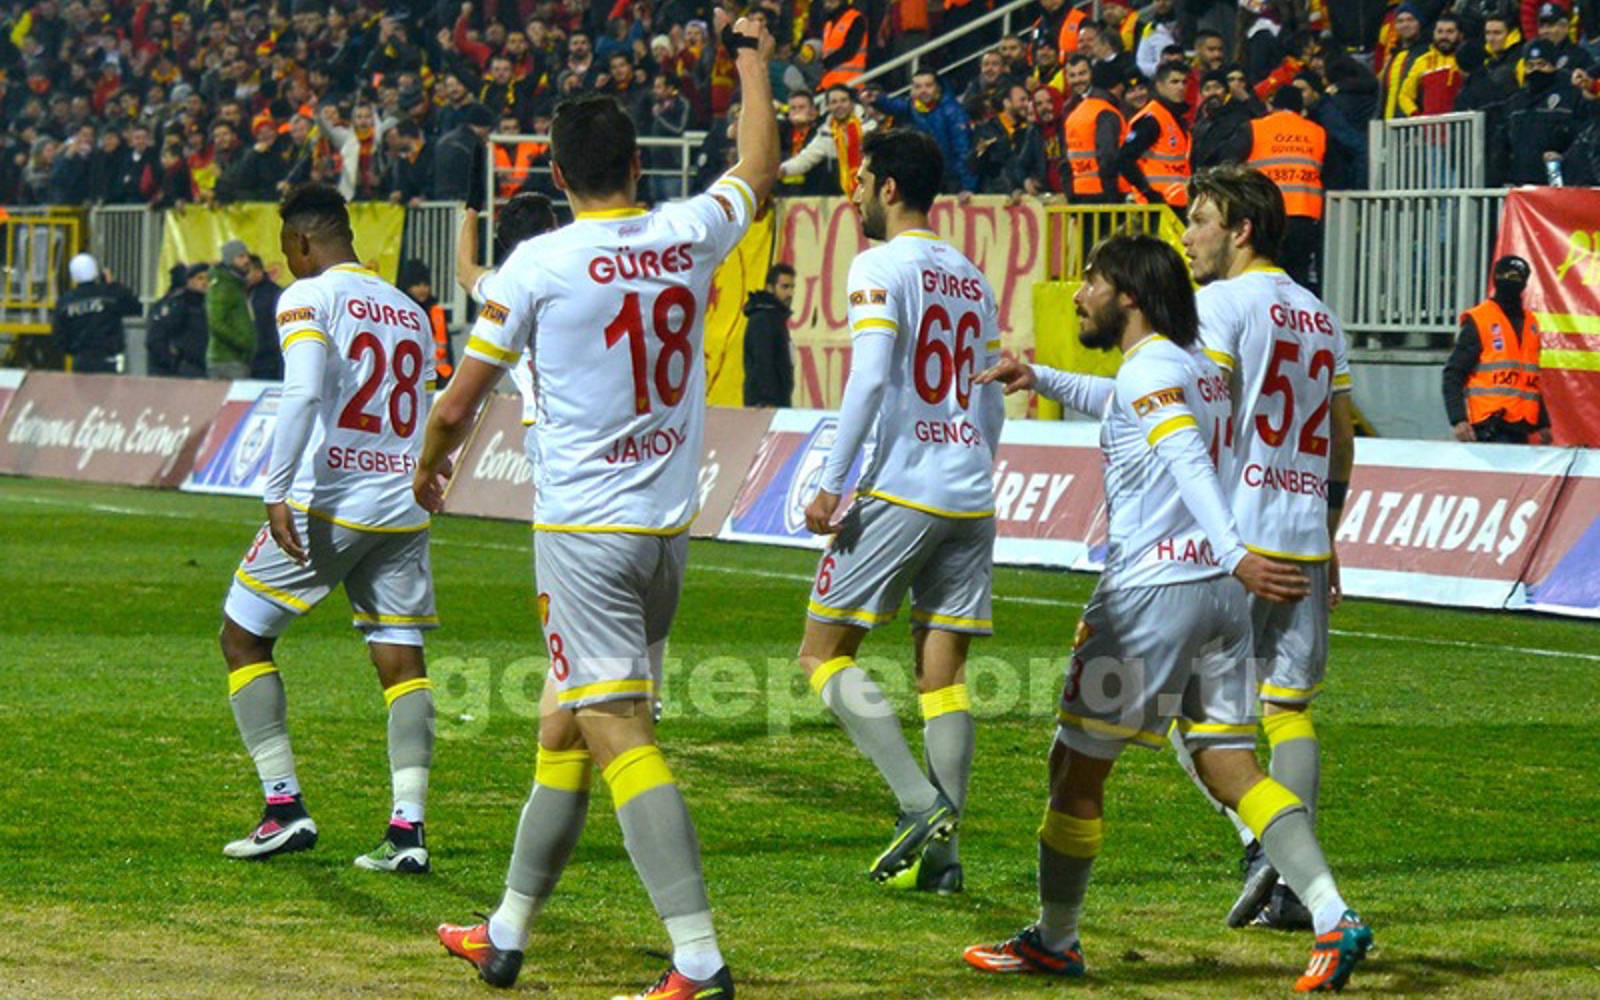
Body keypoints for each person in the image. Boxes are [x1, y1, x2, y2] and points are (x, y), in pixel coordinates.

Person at [419, 16, 778, 997]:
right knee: (563, 724)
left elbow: (456, 403)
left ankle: (697, 958)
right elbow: (757, 165)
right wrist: (750, 56)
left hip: (584, 535)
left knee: (616, 728)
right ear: (635, 163)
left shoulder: (539, 265)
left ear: (559, 173)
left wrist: (427, 470)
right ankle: (504, 932)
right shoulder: (687, 231)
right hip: (664, 533)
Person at [962, 231, 1372, 993]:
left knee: (1074, 768)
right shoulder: (1193, 367)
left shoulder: (1154, 369)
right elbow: (1122, 401)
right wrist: (1039, 375)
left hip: (1154, 595)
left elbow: (1183, 455)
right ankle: (1331, 911)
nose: (1078, 293)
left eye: (1092, 280)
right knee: (1230, 763)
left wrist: (1236, 549)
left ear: (1129, 296)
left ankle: (1056, 939)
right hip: (1220, 601)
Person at [797, 127, 1005, 894]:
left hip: (903, 484)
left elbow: (870, 378)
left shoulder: (880, 266)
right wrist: (974, 464)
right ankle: (944, 863)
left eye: (860, 180)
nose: (852, 193)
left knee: (822, 653)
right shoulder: (972, 278)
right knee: (941, 675)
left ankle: (919, 804)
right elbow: (991, 397)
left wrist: (832, 480)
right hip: (970, 489)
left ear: (888, 188)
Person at [217, 183, 438, 878]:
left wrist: (276, 489)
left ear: (304, 241)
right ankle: (407, 830)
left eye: (287, 247)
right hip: (401, 502)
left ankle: (283, 808)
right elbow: (428, 405)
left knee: (242, 636)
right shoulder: (410, 310)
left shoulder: (307, 297)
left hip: (331, 500)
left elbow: (305, 390)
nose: (286, 261)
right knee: (401, 657)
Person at [1172, 164, 1358, 934]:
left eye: (1200, 220)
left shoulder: (1219, 305)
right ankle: (1291, 886)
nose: (1187, 236)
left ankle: (1267, 847)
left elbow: (1205, 418)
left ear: (1241, 229)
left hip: (1238, 541)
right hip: (1304, 535)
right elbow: (1341, 438)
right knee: (1287, 707)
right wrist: (1329, 532)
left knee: (1186, 711)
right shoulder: (1319, 315)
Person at [1443, 254, 1551, 444]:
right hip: (1490, 426)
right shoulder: (1480, 319)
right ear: (1495, 278)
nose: (1511, 281)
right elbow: (1454, 373)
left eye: (1516, 277)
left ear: (1525, 283)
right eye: (1506, 275)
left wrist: (1543, 423)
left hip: (1521, 426)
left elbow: (1528, 381)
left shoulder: (1531, 324)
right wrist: (1458, 419)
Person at [1246, 86, 1325, 294]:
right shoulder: (1317, 132)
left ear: (1272, 105)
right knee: (1297, 278)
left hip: (1267, 213)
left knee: (1264, 275)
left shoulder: (1255, 128)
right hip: (1304, 215)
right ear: (1301, 108)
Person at [868, 71, 979, 194]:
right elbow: (895, 105)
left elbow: (963, 150)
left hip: (953, 178)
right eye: (918, 86)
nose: (923, 90)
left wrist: (968, 187)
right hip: (927, 176)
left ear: (937, 88)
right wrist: (877, 100)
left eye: (928, 85)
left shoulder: (953, 112)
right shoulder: (914, 106)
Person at [1117, 61, 1192, 212]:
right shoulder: (1152, 119)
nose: (1181, 87)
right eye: (1174, 82)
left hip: (1176, 203)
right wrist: (1148, 192)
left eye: (1184, 82)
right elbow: (1124, 159)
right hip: (1156, 206)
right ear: (1160, 86)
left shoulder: (1176, 118)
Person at [52, 253, 141, 374]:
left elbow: (59, 338)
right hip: (109, 361)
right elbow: (135, 307)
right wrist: (112, 284)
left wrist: (74, 350)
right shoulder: (110, 294)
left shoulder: (65, 302)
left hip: (81, 362)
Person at [779, 83, 876, 196]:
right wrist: (783, 170)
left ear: (852, 103)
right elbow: (806, 158)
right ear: (828, 106)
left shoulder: (870, 125)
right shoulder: (826, 132)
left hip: (870, 190)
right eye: (834, 102)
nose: (839, 105)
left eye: (843, 100)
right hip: (839, 195)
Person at [742, 262, 796, 407]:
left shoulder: (774, 317)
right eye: (784, 287)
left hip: (776, 402)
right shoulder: (763, 319)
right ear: (770, 288)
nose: (790, 293)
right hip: (765, 405)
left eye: (792, 287)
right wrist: (768, 400)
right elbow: (763, 361)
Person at [147, 262, 212, 378]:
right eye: (200, 278)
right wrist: (173, 362)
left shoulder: (208, 304)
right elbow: (156, 337)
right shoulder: (179, 304)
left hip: (202, 367)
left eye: (208, 279)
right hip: (184, 369)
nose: (205, 282)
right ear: (189, 281)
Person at [207, 239, 258, 379]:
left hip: (236, 359)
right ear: (230, 260)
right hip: (227, 360)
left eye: (246, 256)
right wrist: (243, 342)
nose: (247, 260)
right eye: (241, 257)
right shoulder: (223, 286)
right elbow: (216, 323)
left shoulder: (235, 285)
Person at [398, 259, 453, 388]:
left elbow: (447, 349)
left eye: (425, 284)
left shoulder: (436, 311)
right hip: (410, 379)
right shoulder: (402, 311)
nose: (422, 289)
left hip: (439, 379)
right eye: (417, 285)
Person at [247, 254, 284, 381]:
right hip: (249, 361)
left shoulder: (273, 293)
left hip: (270, 359)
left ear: (258, 272)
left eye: (247, 271)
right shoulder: (240, 293)